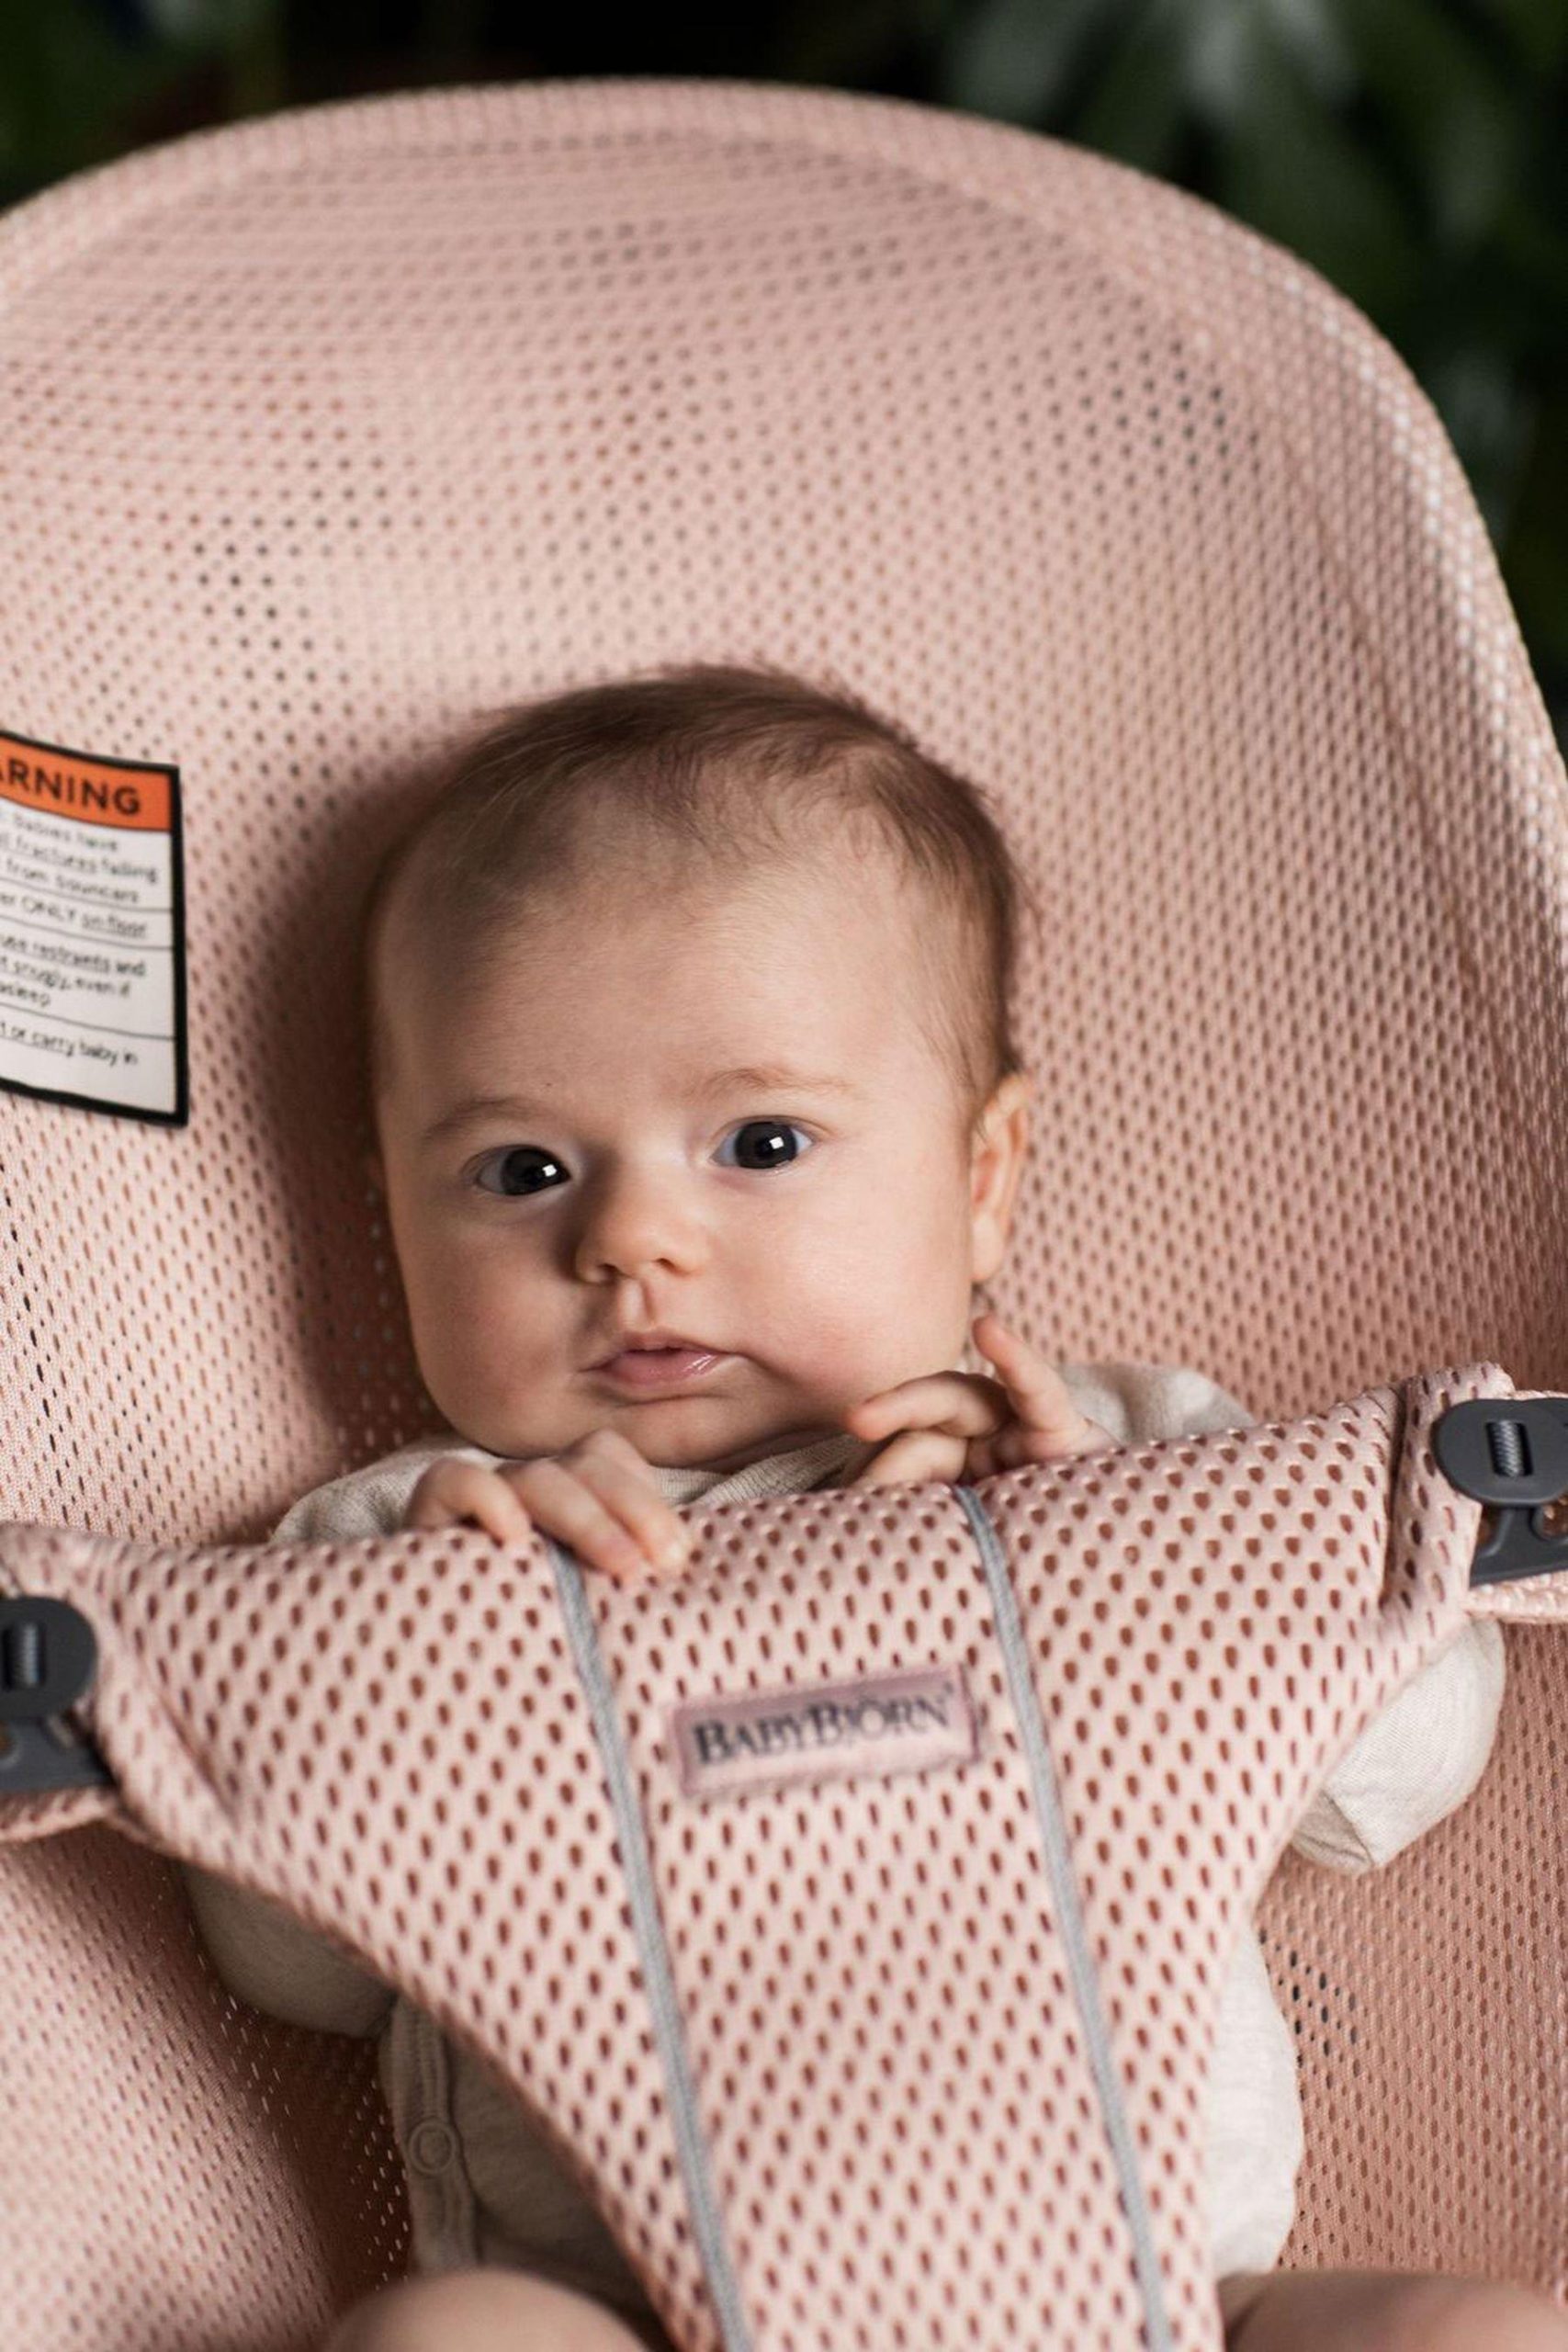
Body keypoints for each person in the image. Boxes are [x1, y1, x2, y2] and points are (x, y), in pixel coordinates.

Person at [182, 664, 1557, 2352]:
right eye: (523, 1170)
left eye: (760, 1143)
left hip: (1165, 2305)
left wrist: (1117, 1552)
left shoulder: (1135, 1459)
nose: (630, 1241)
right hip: (627, 2314)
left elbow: (1404, 1767)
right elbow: (288, 1962)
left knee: (1481, 2337)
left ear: (981, 1180)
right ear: (390, 1216)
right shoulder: (412, 1539)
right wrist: (439, 1632)